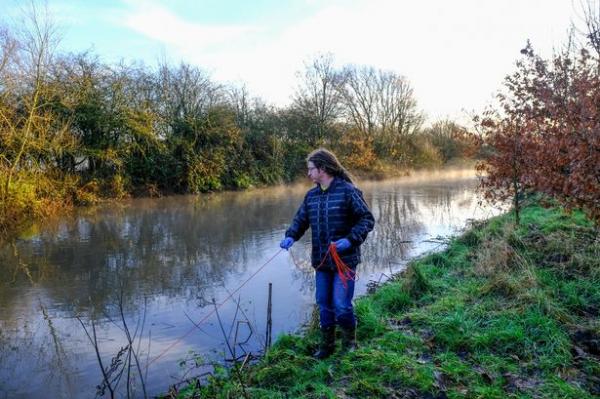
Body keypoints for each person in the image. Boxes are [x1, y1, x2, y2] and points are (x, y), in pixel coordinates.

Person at [280, 148, 375, 359]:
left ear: (323, 169)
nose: (308, 174)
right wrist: (290, 236)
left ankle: (350, 344)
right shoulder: (311, 196)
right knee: (324, 304)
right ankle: (327, 346)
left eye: (311, 169)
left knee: (341, 306)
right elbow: (300, 220)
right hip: (321, 263)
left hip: (345, 261)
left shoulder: (348, 191)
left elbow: (367, 220)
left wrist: (349, 240)